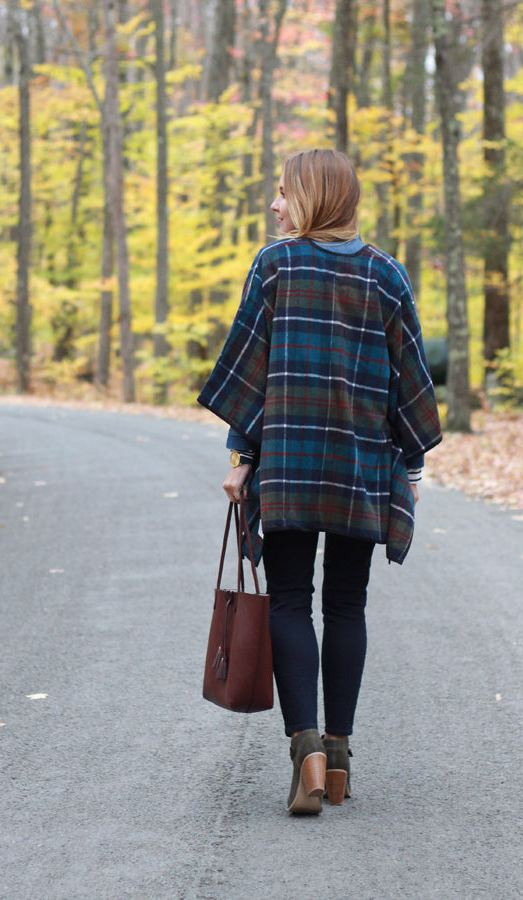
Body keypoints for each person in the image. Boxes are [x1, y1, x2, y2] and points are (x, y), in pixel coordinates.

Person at [197, 149, 442, 815]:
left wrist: (241, 455)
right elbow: (409, 381)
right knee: (347, 605)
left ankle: (303, 750)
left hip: (289, 460)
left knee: (288, 600)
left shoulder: (275, 265)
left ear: (312, 197)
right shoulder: (387, 275)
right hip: (359, 464)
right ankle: (338, 760)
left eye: (284, 192)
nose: (275, 204)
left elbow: (251, 369)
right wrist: (409, 469)